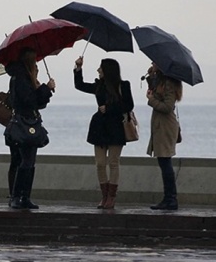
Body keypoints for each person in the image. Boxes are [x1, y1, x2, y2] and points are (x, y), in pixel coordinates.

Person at [74, 57, 134, 209]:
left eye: (100, 67)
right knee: (100, 163)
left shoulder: (123, 85)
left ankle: (111, 197)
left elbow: (129, 105)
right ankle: (104, 195)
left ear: (108, 70)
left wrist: (109, 108)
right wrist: (78, 68)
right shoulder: (99, 86)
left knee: (113, 162)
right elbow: (79, 85)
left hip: (116, 127)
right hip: (100, 127)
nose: (98, 70)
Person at [4, 48, 55, 209]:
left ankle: (20, 196)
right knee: (27, 161)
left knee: (21, 161)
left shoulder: (20, 77)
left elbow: (38, 103)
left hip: (19, 124)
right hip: (25, 125)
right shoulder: (21, 78)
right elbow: (30, 101)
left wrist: (44, 90)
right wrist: (45, 88)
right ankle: (20, 196)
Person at [145, 62, 182, 210]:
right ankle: (168, 198)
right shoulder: (160, 81)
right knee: (163, 162)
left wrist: (151, 100)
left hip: (165, 126)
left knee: (165, 162)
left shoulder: (168, 83)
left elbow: (167, 107)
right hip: (160, 125)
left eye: (154, 62)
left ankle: (170, 199)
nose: (152, 63)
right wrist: (150, 76)